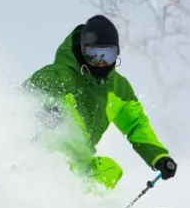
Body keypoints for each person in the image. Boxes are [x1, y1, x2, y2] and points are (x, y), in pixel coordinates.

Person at [23, 14, 177, 192]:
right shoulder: (59, 75)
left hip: (79, 165)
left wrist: (158, 156)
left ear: (117, 53)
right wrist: (43, 112)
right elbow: (21, 101)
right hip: (47, 158)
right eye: (93, 55)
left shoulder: (118, 88)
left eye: (108, 55)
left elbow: (136, 124)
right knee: (59, 173)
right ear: (83, 51)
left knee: (110, 170)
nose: (101, 63)